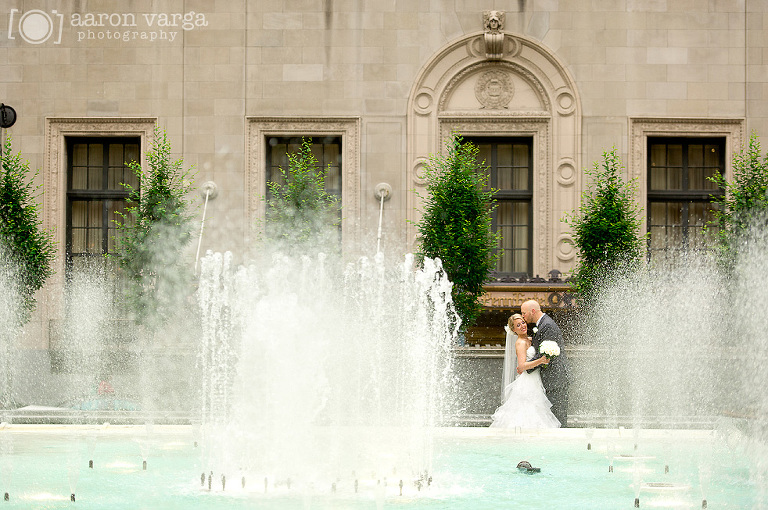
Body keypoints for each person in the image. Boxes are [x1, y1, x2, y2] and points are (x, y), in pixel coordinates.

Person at [490, 314, 560, 429]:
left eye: (523, 322)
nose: (522, 326)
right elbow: (522, 366)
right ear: (514, 330)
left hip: (535, 378)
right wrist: (541, 360)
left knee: (536, 410)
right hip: (528, 381)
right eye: (518, 325)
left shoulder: (529, 339)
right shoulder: (520, 343)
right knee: (528, 410)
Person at [520, 299, 571, 427]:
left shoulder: (547, 325)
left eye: (524, 313)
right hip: (550, 379)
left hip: (555, 379)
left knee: (557, 418)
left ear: (532, 311)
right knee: (550, 419)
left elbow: (545, 355)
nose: (523, 316)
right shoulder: (542, 324)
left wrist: (526, 367)